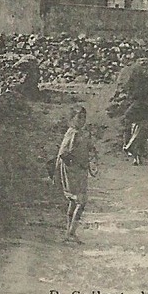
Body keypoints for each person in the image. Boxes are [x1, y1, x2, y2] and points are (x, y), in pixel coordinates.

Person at [56, 104, 98, 243]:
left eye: (84, 118)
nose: (82, 121)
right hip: (73, 171)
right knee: (81, 201)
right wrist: (77, 164)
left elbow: (86, 148)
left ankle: (69, 231)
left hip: (80, 171)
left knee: (75, 201)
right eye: (79, 118)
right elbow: (63, 154)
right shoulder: (72, 133)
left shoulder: (81, 133)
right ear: (72, 119)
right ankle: (71, 232)